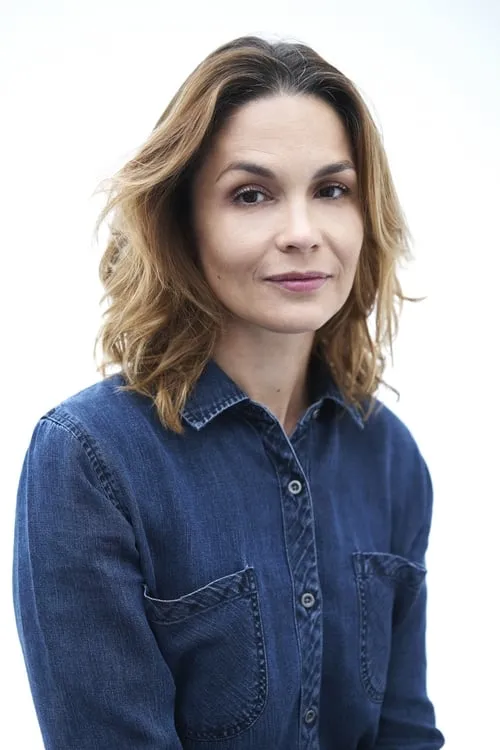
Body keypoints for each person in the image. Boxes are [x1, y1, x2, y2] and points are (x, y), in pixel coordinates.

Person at [12, 35, 445, 750]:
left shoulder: (389, 456)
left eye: (331, 190)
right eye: (251, 195)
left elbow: (405, 731)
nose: (302, 233)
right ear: (183, 223)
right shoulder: (90, 461)